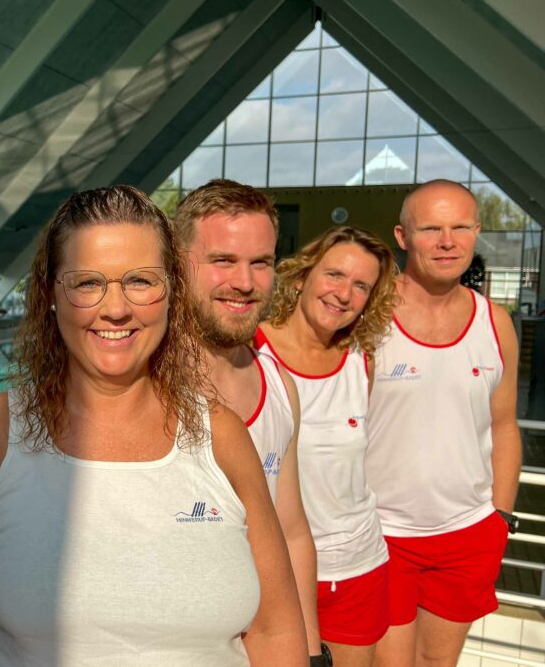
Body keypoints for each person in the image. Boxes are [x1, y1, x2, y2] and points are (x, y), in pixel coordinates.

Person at [0, 185, 308, 665]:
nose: (115, 309)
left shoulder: (221, 435)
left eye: (140, 281)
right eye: (88, 282)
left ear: (172, 290)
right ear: (51, 293)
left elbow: (275, 628)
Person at [367, 180, 520, 667]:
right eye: (431, 228)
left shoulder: (495, 323)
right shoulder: (368, 316)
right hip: (381, 533)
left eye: (459, 227)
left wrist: (500, 518)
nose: (447, 241)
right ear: (403, 236)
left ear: (477, 232)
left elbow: (505, 425)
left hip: (468, 534)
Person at [175, 179, 326, 665]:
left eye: (260, 262)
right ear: (179, 264)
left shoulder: (281, 388)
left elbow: (292, 531)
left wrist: (310, 650)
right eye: (223, 261)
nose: (245, 281)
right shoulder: (139, 386)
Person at [256, 226, 398, 667]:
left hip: (358, 569)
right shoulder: (250, 352)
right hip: (275, 575)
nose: (344, 294)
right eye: (334, 275)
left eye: (361, 286)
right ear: (301, 276)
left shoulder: (363, 360)